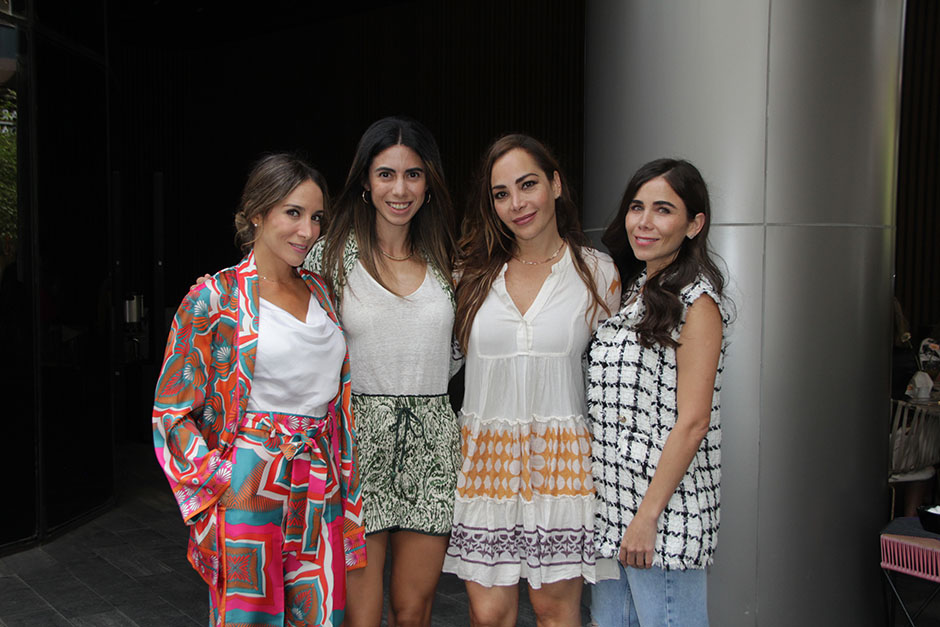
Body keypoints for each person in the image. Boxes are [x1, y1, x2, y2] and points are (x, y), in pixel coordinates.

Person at [153, 154, 366, 626]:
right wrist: (218, 481)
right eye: (293, 213)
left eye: (315, 217)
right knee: (249, 620)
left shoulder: (324, 292)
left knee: (320, 616)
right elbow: (170, 412)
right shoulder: (216, 297)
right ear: (257, 213)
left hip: (318, 483)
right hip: (249, 483)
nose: (307, 231)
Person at [444, 134, 621, 626]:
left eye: (528, 185)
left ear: (556, 184)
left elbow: (612, 381)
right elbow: (442, 366)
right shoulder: (470, 277)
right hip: (485, 466)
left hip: (562, 469)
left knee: (555, 613)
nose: (517, 203)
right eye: (501, 193)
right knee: (489, 617)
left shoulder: (597, 274)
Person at [304, 116, 460, 627]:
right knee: (361, 615)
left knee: (413, 610)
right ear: (366, 183)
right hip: (356, 439)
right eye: (386, 174)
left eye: (413, 174)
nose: (400, 188)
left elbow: (458, 348)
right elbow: (279, 309)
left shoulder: (448, 261)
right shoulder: (328, 257)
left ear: (429, 183)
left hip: (433, 439)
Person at [586, 158, 730, 627]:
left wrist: (647, 518)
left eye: (663, 210)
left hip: (663, 519)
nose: (644, 222)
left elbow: (693, 421)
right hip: (612, 515)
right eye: (636, 207)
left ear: (694, 224)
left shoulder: (697, 301)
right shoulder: (634, 292)